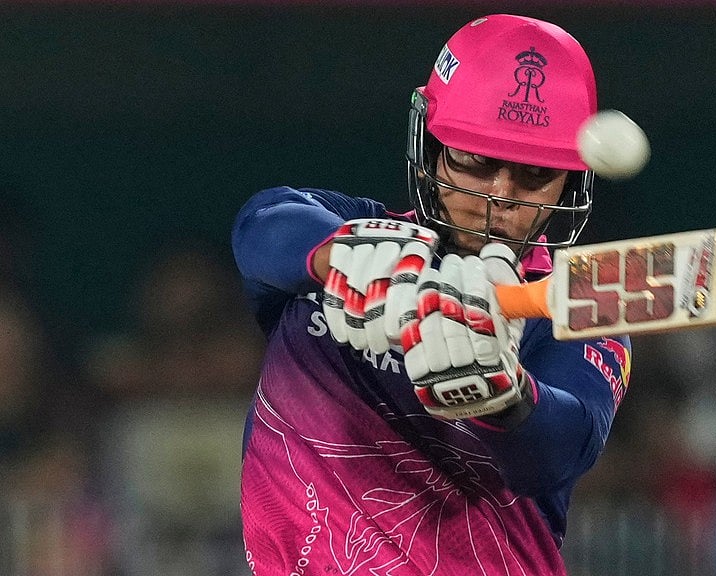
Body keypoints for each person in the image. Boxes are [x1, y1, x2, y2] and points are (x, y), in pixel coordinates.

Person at [232, 14, 631, 575]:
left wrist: (506, 400)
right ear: (432, 143)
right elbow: (258, 226)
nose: (499, 198)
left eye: (534, 175)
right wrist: (339, 256)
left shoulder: (584, 301)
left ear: (572, 179)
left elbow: (562, 448)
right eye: (475, 160)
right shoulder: (351, 228)